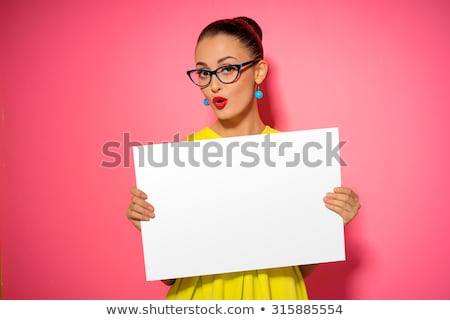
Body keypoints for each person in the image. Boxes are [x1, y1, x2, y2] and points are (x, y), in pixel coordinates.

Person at [126, 16, 361, 299]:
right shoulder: (177, 159)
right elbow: (171, 277)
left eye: (227, 69)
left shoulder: (297, 158)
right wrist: (151, 230)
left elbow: (295, 268)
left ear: (259, 71)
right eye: (204, 73)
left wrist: (330, 226)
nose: (214, 85)